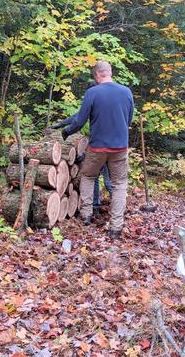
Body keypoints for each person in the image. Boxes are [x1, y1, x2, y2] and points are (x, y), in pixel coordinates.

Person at [61, 61, 134, 239]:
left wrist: (66, 131)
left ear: (97, 75)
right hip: (120, 147)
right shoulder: (126, 92)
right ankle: (116, 227)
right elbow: (129, 120)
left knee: (88, 176)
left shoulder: (92, 92)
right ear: (110, 73)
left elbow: (80, 121)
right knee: (119, 184)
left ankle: (86, 215)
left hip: (98, 147)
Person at [51, 114, 112, 214]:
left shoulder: (105, 115)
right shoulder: (97, 106)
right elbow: (78, 116)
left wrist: (84, 153)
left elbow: (98, 137)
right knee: (95, 177)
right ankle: (96, 207)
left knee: (109, 183)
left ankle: (118, 211)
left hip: (111, 150)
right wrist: (60, 124)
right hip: (102, 148)